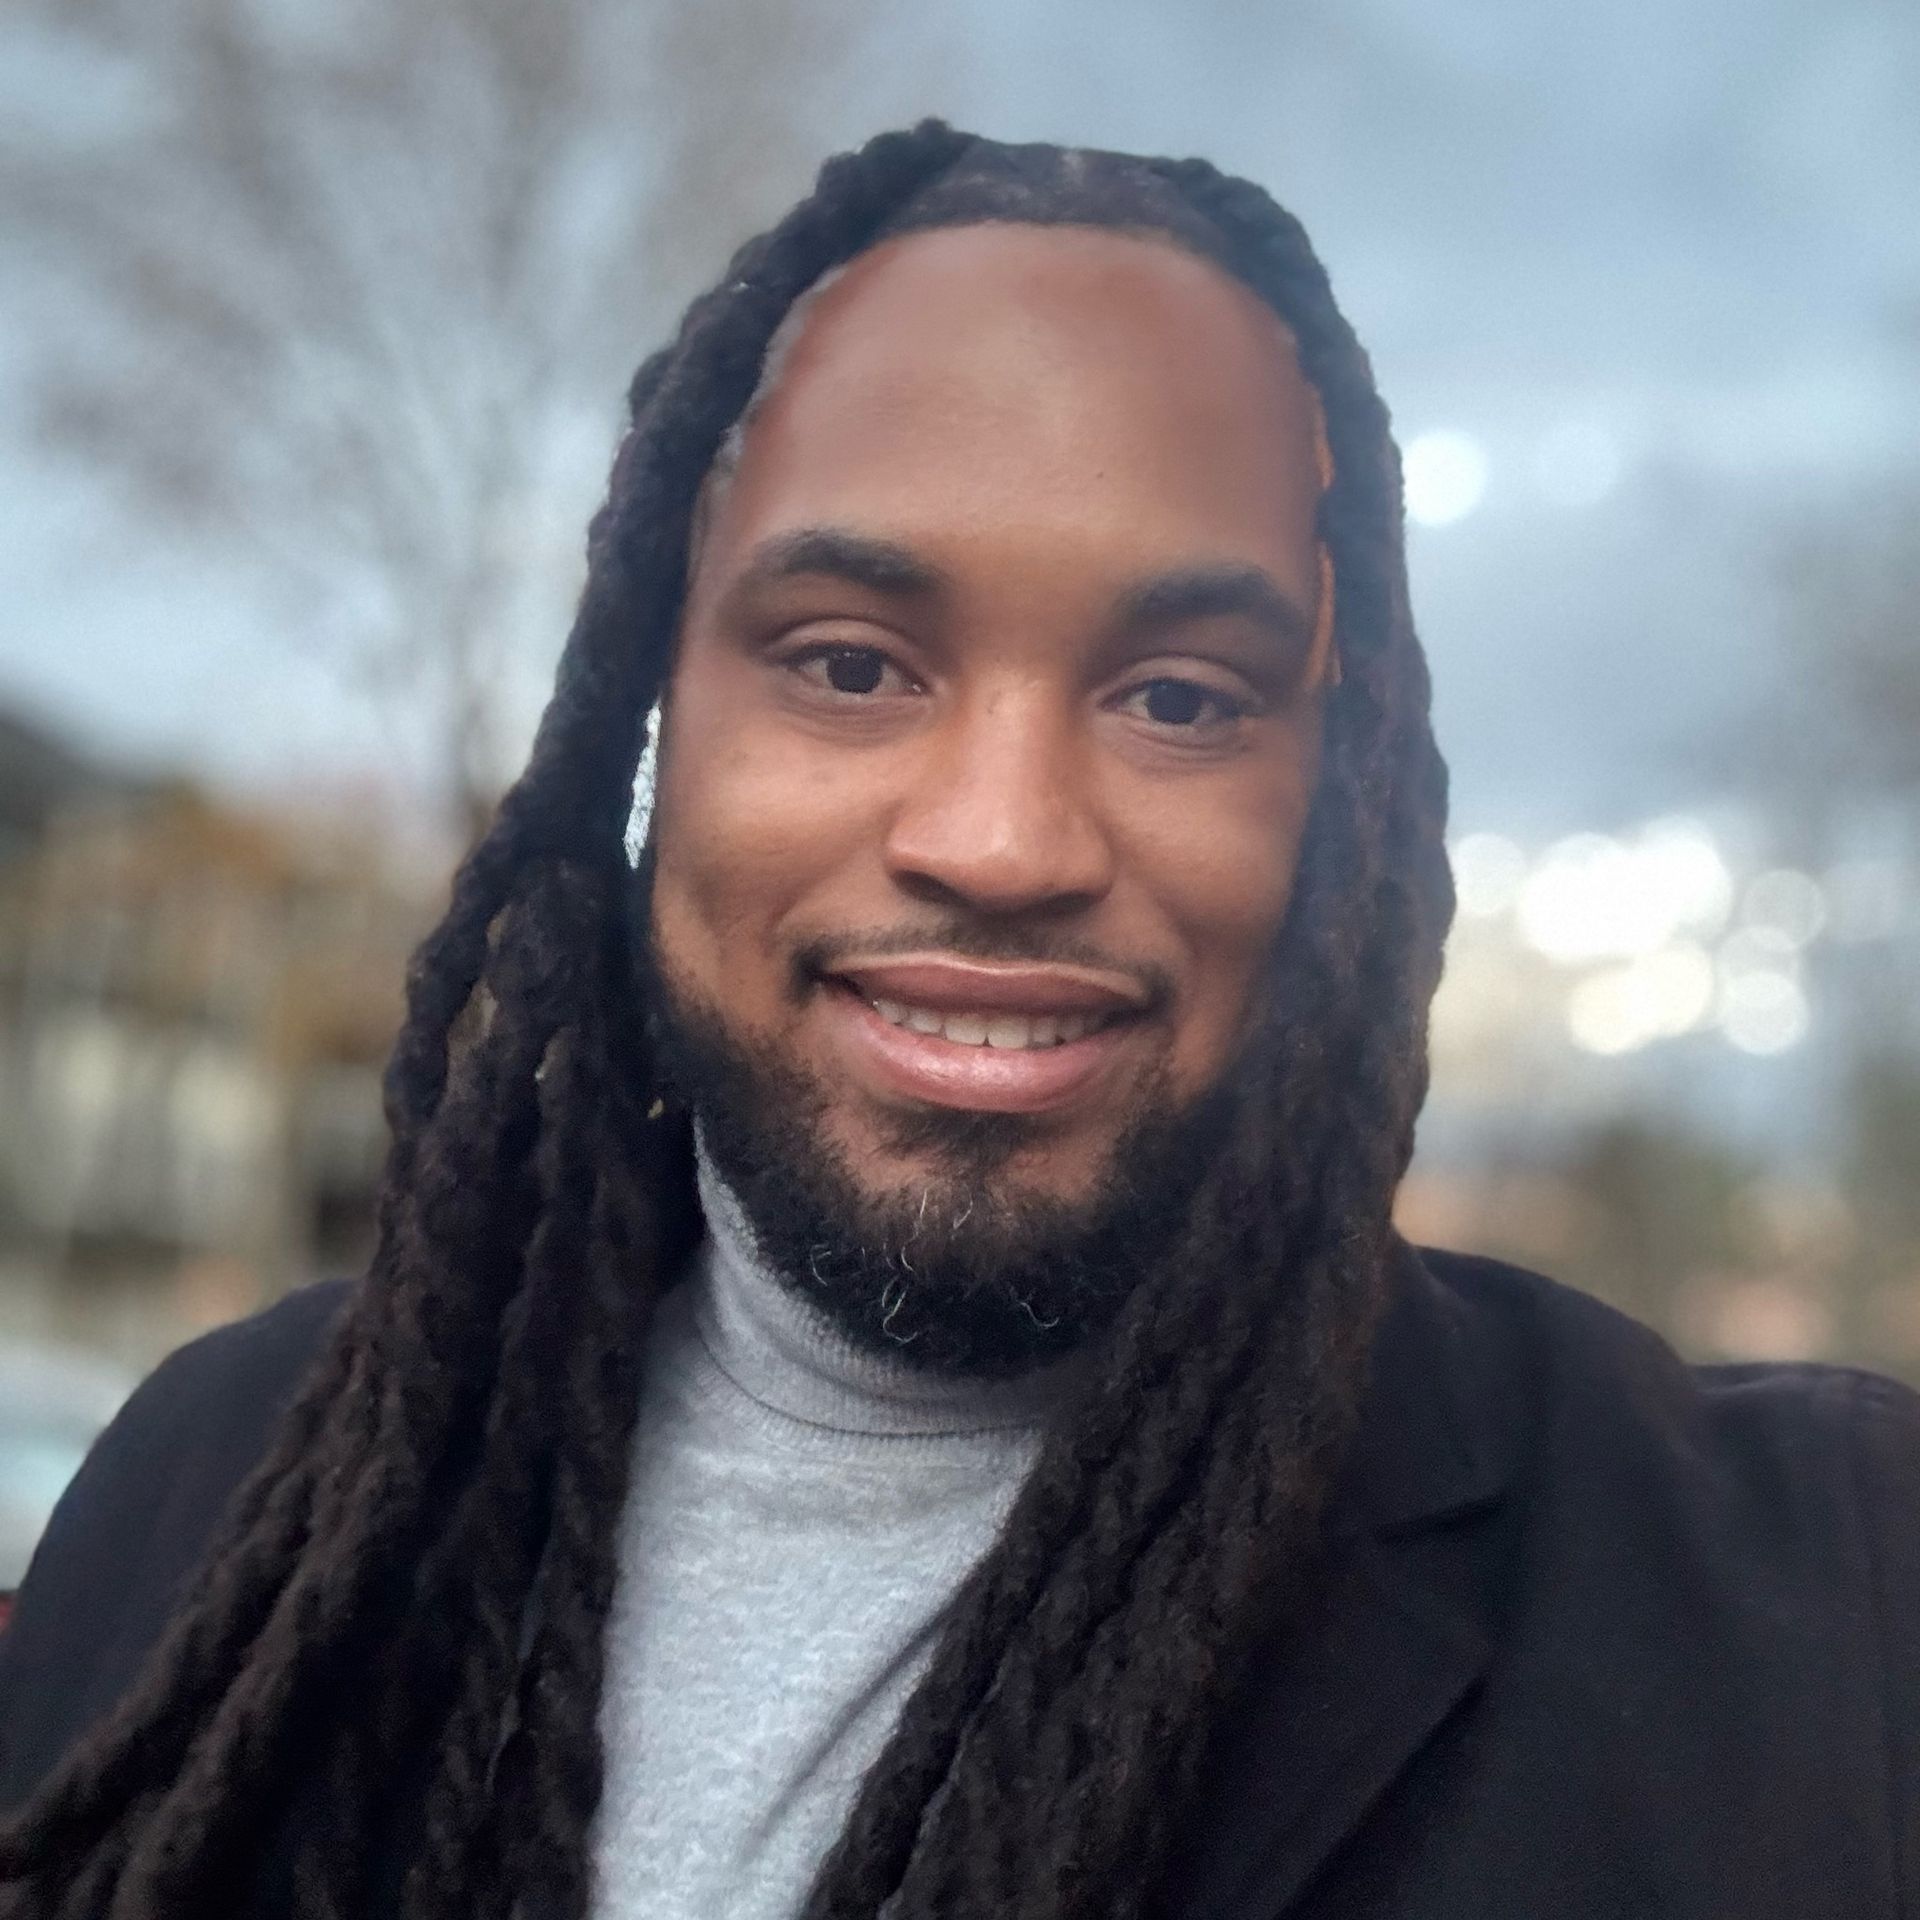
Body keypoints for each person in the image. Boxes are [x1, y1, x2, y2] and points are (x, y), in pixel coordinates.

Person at [0, 122, 1913, 1920]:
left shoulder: (1825, 1604)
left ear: (1354, 802)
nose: (1000, 843)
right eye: (849, 662)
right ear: (646, 726)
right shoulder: (215, 1479)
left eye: (1180, 699)